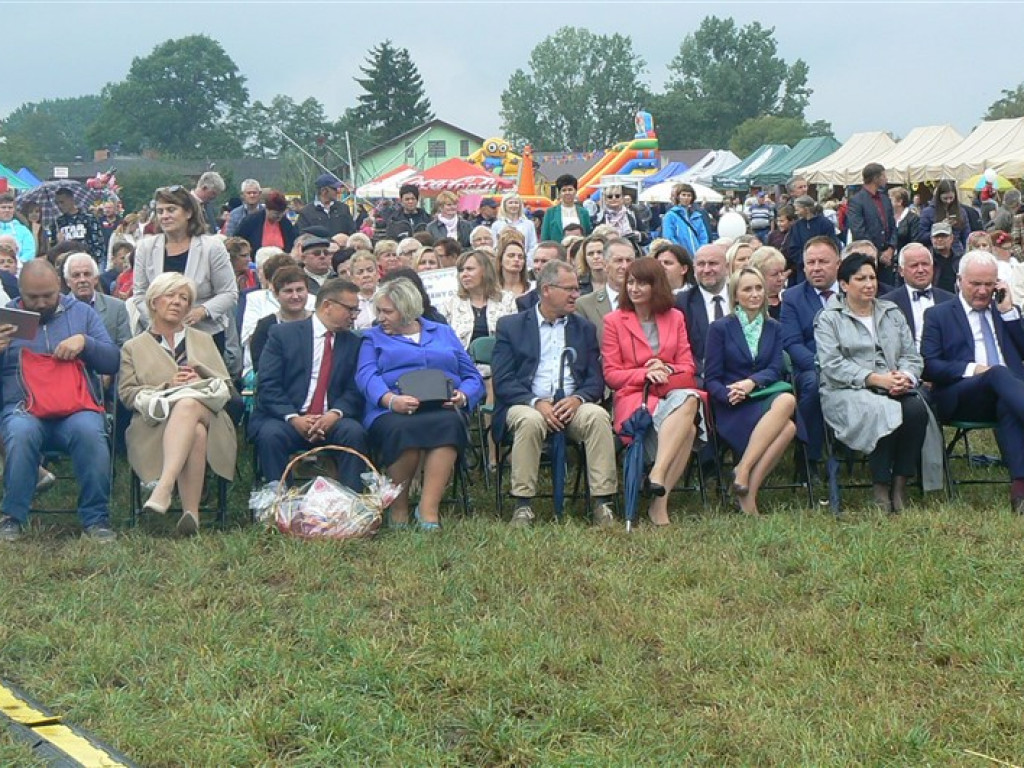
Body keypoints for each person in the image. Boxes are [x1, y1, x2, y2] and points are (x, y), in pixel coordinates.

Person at [0, 261, 120, 543]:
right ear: (19, 291)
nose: (41, 303)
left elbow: (112, 361)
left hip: (75, 407)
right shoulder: (6, 318)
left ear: (60, 288)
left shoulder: (82, 313)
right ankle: (13, 516)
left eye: (49, 296)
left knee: (90, 432)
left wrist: (85, 343)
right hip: (24, 407)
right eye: (33, 297)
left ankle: (96, 518)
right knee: (20, 432)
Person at [492, 259, 617, 527]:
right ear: (547, 289)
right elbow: (503, 381)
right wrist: (536, 402)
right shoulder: (511, 326)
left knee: (596, 416)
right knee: (530, 420)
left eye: (577, 288)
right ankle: (523, 505)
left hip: (571, 405)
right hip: (525, 402)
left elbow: (596, 380)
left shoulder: (583, 329)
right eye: (569, 289)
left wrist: (578, 399)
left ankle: (602, 503)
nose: (576, 295)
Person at [356, 278, 484, 530]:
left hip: (441, 406)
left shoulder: (442, 332)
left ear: (407, 310)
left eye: (387, 312)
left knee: (449, 424)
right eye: (378, 311)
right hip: (391, 409)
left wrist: (463, 396)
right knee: (404, 429)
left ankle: (428, 509)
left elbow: (472, 376)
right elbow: (366, 376)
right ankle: (399, 507)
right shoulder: (372, 338)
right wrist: (391, 400)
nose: (380, 317)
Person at [118, 274, 238, 535]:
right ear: (153, 301)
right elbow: (127, 395)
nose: (177, 302)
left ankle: (164, 487)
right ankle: (190, 513)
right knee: (194, 431)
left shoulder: (204, 340)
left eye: (184, 298)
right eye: (170, 295)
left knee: (187, 405)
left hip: (211, 417)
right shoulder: (133, 347)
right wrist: (167, 387)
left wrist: (201, 378)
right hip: (155, 426)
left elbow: (227, 389)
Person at [817, 253, 934, 512]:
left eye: (872, 277)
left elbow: (911, 355)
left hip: (894, 383)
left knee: (915, 409)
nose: (869, 284)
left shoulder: (891, 312)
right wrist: (874, 379)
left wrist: (906, 376)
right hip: (846, 390)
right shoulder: (829, 318)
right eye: (861, 279)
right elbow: (832, 365)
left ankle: (900, 484)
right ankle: (880, 486)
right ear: (844, 285)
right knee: (880, 408)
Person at [602, 259, 705, 525]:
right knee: (689, 429)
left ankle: (658, 480)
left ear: (656, 285)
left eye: (642, 283)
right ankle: (659, 501)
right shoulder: (614, 321)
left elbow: (688, 367)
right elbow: (612, 375)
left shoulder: (675, 317)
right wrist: (644, 373)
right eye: (631, 282)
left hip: (672, 394)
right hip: (636, 399)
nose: (634, 288)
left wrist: (666, 368)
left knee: (691, 398)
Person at [922, 250, 1024, 514]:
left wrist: (1009, 312)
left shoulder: (1004, 311)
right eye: (975, 284)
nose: (982, 291)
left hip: (1008, 396)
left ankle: (1020, 491)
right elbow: (929, 365)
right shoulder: (938, 315)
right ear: (960, 280)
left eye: (989, 285)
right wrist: (974, 369)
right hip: (961, 396)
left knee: (1006, 400)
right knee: (998, 373)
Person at [250, 278, 369, 489]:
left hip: (331, 419)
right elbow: (268, 384)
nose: (354, 316)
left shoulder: (354, 342)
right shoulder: (283, 335)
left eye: (356, 311)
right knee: (271, 435)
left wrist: (335, 414)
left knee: (354, 432)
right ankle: (279, 502)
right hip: (287, 417)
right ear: (327, 306)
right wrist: (293, 418)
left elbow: (355, 389)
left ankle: (352, 504)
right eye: (350, 309)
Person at [704, 266, 797, 515]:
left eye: (758, 288)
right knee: (788, 427)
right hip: (732, 405)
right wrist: (729, 394)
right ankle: (747, 493)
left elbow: (776, 368)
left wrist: (751, 383)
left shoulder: (773, 327)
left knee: (787, 400)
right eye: (748, 289)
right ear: (735, 295)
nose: (755, 294)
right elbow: (711, 379)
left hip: (762, 396)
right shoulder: (720, 328)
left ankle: (743, 472)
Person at [132, 185, 238, 349]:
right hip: (159, 337)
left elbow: (229, 293)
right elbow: (139, 294)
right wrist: (159, 318)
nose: (165, 216)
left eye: (171, 210)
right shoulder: (145, 248)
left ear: (188, 213)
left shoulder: (212, 247)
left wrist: (201, 311)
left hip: (205, 335)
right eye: (160, 212)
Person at [780, 235, 842, 468]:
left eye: (823, 262)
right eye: (810, 263)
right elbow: (792, 343)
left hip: (853, 365)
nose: (816, 268)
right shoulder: (793, 297)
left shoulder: (852, 291)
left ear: (838, 263)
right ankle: (809, 458)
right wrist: (822, 366)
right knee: (815, 387)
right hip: (811, 367)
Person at [880, 243, 955, 351]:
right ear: (901, 271)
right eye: (914, 265)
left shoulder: (950, 300)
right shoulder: (887, 303)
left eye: (925, 264)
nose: (920, 270)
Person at [674, 243, 730, 379]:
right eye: (701, 264)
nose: (706, 269)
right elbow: (681, 350)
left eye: (712, 263)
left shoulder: (741, 297)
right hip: (702, 377)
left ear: (727, 267)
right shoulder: (681, 303)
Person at [444, 249, 517, 351]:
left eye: (470, 269)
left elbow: (515, 336)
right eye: (461, 270)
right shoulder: (450, 304)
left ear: (485, 271)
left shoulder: (507, 300)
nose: (464, 274)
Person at [249, 265, 312, 374]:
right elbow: (261, 368)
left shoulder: (319, 321)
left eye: (300, 290)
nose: (295, 296)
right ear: (276, 294)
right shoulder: (266, 326)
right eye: (288, 291)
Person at [64, 252, 131, 348]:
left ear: (95, 279)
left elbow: (126, 348)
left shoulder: (117, 308)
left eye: (87, 274)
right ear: (67, 282)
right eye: (76, 275)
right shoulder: (60, 309)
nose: (82, 280)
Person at [847, 163, 898, 286]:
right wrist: (878, 254)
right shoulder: (857, 201)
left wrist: (891, 249)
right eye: (884, 176)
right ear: (876, 178)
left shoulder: (885, 199)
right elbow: (858, 231)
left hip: (887, 259)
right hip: (868, 258)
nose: (886, 179)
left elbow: (893, 226)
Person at [575, 237, 635, 340]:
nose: (625, 266)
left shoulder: (647, 301)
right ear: (605, 265)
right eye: (618, 260)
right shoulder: (584, 305)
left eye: (629, 260)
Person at [786, 196, 840, 284]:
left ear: (806, 209)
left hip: (824, 268)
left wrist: (821, 260)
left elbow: (832, 245)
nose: (796, 213)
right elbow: (792, 248)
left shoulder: (825, 224)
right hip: (803, 270)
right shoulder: (796, 226)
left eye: (798, 209)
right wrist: (806, 261)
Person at [54, 187, 104, 265]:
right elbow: (53, 251)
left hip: (87, 261)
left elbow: (98, 244)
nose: (60, 206)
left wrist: (94, 261)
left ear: (71, 200)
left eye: (62, 202)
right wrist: (59, 243)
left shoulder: (89, 219)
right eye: (57, 203)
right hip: (66, 264)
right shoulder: (57, 223)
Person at [917, 179, 973, 250]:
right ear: (938, 196)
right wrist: (940, 227)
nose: (948, 201)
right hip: (935, 252)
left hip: (957, 251)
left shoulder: (961, 211)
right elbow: (921, 237)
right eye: (945, 198)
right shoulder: (928, 212)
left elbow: (966, 235)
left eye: (951, 198)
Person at [592, 184, 648, 252]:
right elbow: (593, 240)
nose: (614, 198)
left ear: (622, 198)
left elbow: (647, 237)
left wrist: (639, 236)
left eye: (617, 196)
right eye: (610, 196)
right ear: (605, 200)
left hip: (630, 252)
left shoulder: (632, 214)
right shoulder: (598, 218)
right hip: (607, 254)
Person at [540, 175, 593, 241]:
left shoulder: (584, 212)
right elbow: (545, 237)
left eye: (570, 190)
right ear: (559, 193)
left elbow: (588, 235)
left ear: (575, 191)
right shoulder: (550, 212)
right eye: (564, 190)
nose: (567, 193)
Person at [663, 183, 709, 256]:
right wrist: (680, 253)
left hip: (697, 255)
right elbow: (669, 237)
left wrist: (700, 252)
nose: (686, 198)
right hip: (679, 255)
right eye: (683, 195)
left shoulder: (697, 216)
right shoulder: (670, 215)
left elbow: (703, 237)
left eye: (689, 195)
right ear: (678, 197)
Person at [516, 241, 564, 311]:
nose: (538, 266)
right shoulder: (525, 302)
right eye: (536, 261)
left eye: (544, 261)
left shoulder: (575, 296)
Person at [491, 195, 538, 259]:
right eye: (510, 203)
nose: (514, 205)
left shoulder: (529, 224)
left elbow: (533, 245)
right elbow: (494, 245)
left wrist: (526, 260)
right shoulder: (497, 225)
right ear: (504, 205)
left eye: (516, 203)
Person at [750, 246, 789, 320]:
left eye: (782, 272)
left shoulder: (789, 299)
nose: (781, 278)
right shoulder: (752, 304)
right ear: (759, 275)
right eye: (775, 274)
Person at [928, 221, 963, 294]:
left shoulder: (960, 260)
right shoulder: (927, 260)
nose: (940, 239)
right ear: (931, 239)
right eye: (936, 237)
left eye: (944, 236)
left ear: (951, 238)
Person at [0, 192, 36, 262]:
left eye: (10, 207)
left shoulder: (23, 230)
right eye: (3, 207)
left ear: (14, 210)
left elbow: (30, 252)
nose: (7, 210)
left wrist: (17, 264)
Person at [494, 230, 530, 297]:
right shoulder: (491, 289)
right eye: (511, 256)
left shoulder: (532, 289)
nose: (516, 259)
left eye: (520, 257)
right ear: (500, 259)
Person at [348, 250, 379, 330]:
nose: (366, 275)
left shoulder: (388, 297)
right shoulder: (349, 303)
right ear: (352, 278)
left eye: (370, 270)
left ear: (378, 273)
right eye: (360, 272)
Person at [890, 186, 919, 254]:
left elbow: (915, 241)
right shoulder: (888, 217)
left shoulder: (913, 218)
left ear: (900, 202)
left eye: (890, 200)